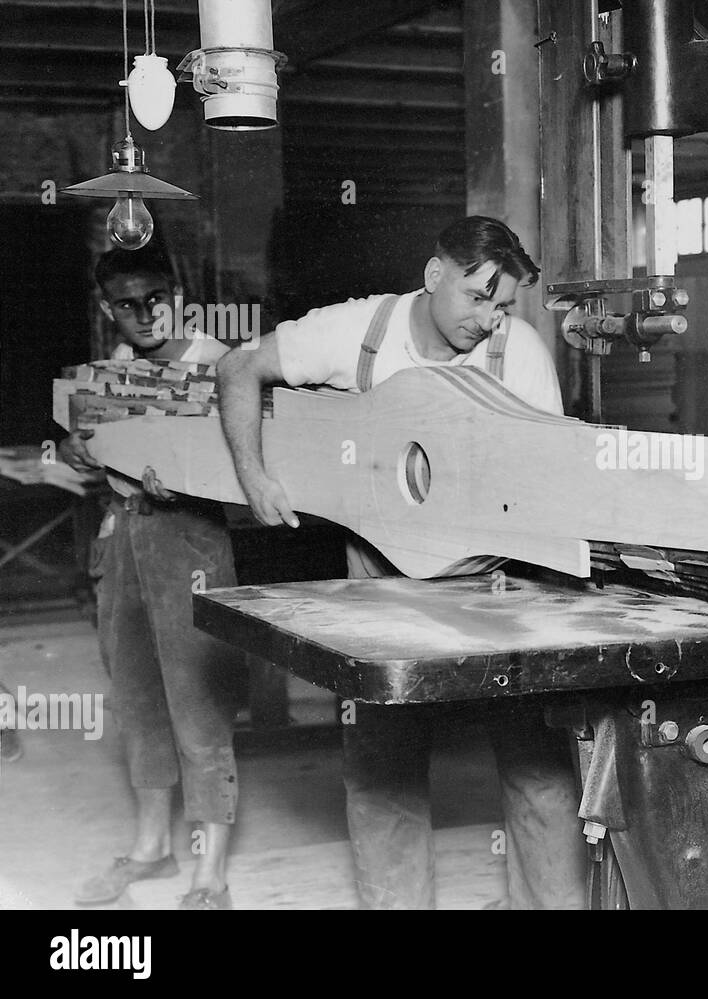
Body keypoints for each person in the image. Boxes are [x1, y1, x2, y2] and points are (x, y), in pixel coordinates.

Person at [216, 215, 587, 909]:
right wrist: (254, 476)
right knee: (381, 773)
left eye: (503, 305)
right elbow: (240, 366)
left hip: (498, 584)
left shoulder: (520, 353)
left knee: (540, 771)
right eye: (478, 297)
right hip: (380, 584)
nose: (489, 319)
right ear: (434, 274)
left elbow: (553, 480)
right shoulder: (359, 332)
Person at [59, 245, 241, 910]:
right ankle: (150, 848)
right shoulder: (112, 372)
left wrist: (188, 474)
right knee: (137, 701)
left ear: (179, 291)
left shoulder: (220, 364)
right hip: (123, 534)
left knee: (199, 705)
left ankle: (210, 870)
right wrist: (82, 450)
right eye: (127, 305)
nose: (145, 315)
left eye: (155, 298)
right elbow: (90, 451)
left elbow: (251, 471)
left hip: (189, 538)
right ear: (109, 310)